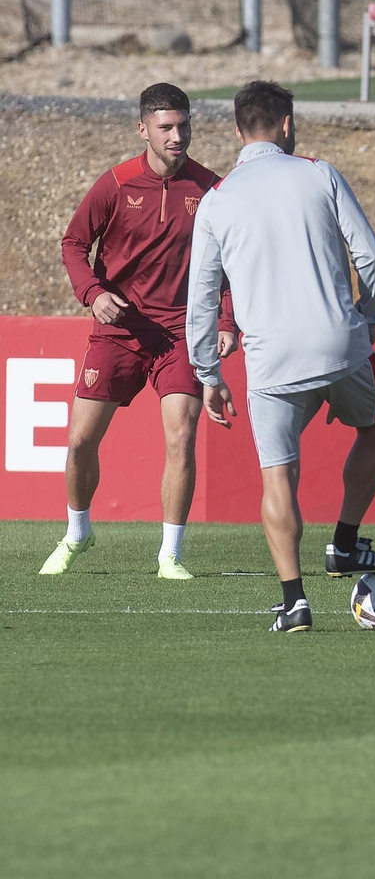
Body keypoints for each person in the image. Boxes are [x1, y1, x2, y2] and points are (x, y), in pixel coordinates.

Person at [187, 80, 375, 632]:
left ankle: (295, 600)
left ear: (237, 131)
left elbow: (202, 299)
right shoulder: (318, 173)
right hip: (339, 343)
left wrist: (209, 373)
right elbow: (369, 255)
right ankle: (345, 545)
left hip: (270, 360)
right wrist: (365, 317)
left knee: (278, 476)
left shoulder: (217, 200)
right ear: (286, 124)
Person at [43, 82, 237, 580]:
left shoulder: (212, 189)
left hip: (180, 334)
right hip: (120, 331)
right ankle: (77, 532)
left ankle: (169, 554)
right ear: (143, 129)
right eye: (166, 127)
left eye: (184, 125)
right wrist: (94, 294)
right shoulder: (115, 183)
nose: (177, 135)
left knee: (182, 437)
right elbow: (73, 243)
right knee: (80, 440)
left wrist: (226, 320)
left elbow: (231, 263)